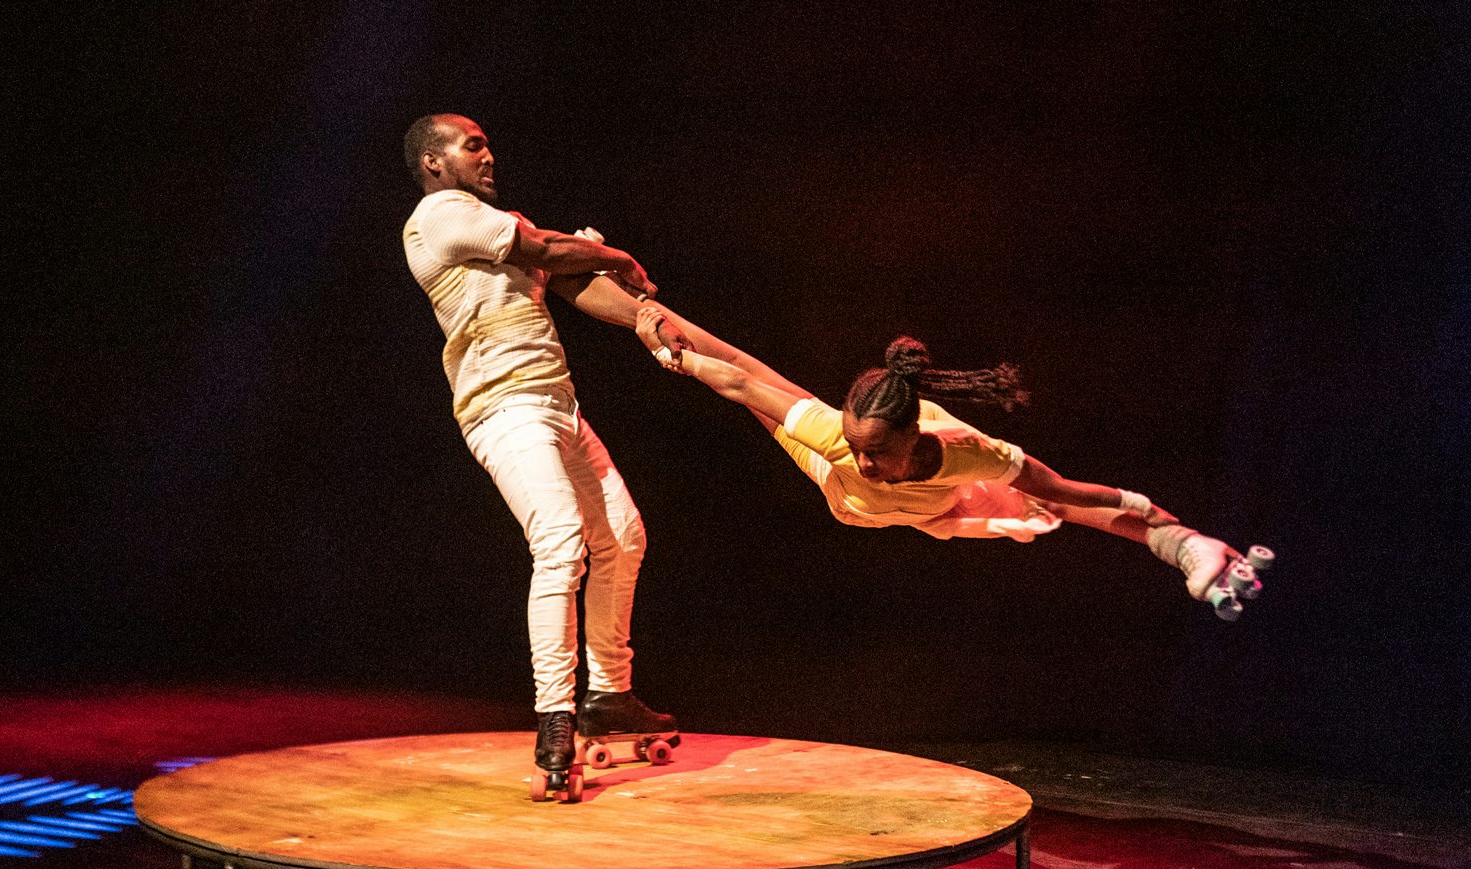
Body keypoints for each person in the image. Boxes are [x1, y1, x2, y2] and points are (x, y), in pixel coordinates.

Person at [631, 307, 1264, 614]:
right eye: (861, 446)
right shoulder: (838, 442)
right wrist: (673, 355)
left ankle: (1185, 547)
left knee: (1050, 506)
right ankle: (648, 308)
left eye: (878, 451)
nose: (869, 458)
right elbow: (742, 383)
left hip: (935, 505)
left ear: (914, 436)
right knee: (760, 391)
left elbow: (1069, 490)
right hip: (844, 497)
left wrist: (1151, 512)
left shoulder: (970, 454)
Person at [399, 114, 677, 795]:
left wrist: (643, 313)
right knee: (560, 542)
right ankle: (555, 714)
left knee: (624, 535)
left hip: (557, 405)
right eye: (473, 146)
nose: (488, 154)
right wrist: (609, 254)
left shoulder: (504, 234)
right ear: (435, 163)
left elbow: (570, 275)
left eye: (488, 142)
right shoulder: (438, 217)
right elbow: (551, 251)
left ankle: (609, 696)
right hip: (504, 407)